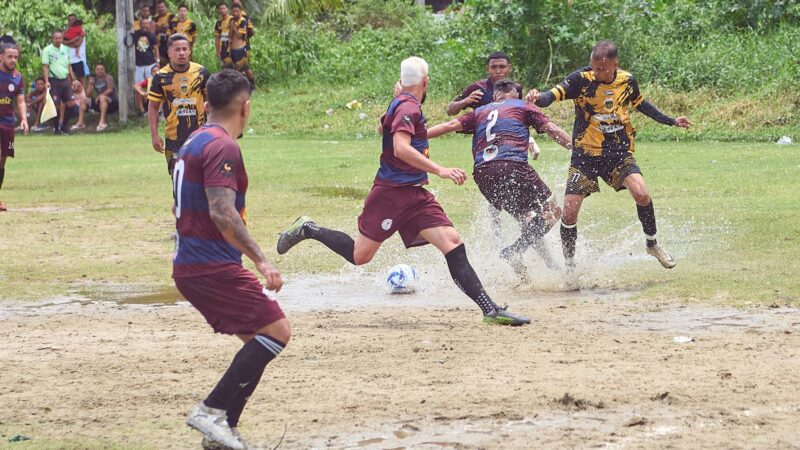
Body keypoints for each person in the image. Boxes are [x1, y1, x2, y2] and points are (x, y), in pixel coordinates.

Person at [276, 57, 530, 326]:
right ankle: (308, 228)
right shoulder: (408, 105)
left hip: (416, 195)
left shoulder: (402, 102)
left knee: (452, 243)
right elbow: (400, 148)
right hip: (391, 194)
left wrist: (395, 102)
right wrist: (440, 170)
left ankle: (490, 310)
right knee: (360, 256)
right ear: (425, 81)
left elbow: (381, 127)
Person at [173, 69, 288, 450]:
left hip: (196, 262)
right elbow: (222, 212)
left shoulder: (194, 140)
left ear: (206, 104)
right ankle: (212, 411)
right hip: (209, 264)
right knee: (276, 332)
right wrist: (261, 260)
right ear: (246, 107)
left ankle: (221, 432)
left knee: (259, 341)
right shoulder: (223, 146)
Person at [526, 40, 691, 276]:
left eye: (603, 68)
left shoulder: (627, 80)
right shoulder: (580, 79)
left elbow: (642, 105)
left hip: (618, 154)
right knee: (570, 213)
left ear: (615, 64)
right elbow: (552, 95)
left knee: (642, 194)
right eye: (594, 67)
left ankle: (652, 244)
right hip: (584, 156)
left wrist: (671, 120)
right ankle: (570, 268)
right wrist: (537, 97)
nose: (597, 72)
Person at [427, 78, 574, 281]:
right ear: (516, 94)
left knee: (526, 217)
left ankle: (525, 277)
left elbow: (450, 125)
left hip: (483, 174)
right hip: (513, 166)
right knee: (553, 211)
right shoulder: (524, 106)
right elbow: (553, 130)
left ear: (495, 96)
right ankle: (515, 250)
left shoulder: (481, 111)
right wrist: (576, 149)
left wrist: (416, 137)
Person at [148, 33, 209, 177]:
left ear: (189, 51)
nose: (181, 53)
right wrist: (154, 135)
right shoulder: (161, 77)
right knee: (178, 180)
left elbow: (212, 103)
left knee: (201, 180)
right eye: (177, 49)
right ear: (169, 52)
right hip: (174, 138)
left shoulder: (201, 73)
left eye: (184, 49)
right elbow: (153, 107)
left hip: (199, 136)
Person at [0, 43, 28, 212]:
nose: (13, 60)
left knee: (2, 160)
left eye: (16, 57)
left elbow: (21, 100)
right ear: (1, 56)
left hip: (8, 123)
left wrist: (23, 118)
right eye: (10, 56)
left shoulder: (17, 78)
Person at [41, 31, 76, 135]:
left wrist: (73, 79)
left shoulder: (66, 49)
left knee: (71, 103)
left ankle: (64, 124)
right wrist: (46, 81)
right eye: (56, 38)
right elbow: (45, 66)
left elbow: (69, 65)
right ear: (52, 39)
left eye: (60, 38)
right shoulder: (47, 50)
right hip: (54, 80)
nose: (58, 40)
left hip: (65, 80)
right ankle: (56, 128)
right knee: (56, 106)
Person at [229, 4, 255, 90]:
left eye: (237, 11)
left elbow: (239, 35)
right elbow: (231, 35)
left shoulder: (243, 21)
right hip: (233, 49)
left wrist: (233, 26)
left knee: (243, 69)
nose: (235, 13)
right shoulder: (233, 21)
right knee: (239, 69)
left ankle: (251, 86)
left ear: (241, 11)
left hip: (240, 48)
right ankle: (246, 87)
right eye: (233, 11)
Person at [85, 63, 118, 132]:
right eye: (98, 69)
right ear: (95, 71)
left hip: (112, 103)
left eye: (101, 69)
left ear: (104, 70)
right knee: (84, 100)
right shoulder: (94, 79)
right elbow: (87, 95)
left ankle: (102, 122)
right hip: (100, 103)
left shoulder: (108, 77)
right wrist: (90, 85)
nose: (100, 71)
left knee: (102, 97)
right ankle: (80, 123)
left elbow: (110, 89)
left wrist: (99, 96)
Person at [133, 19, 159, 93]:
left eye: (146, 24)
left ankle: (149, 103)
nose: (145, 26)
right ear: (140, 25)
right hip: (138, 64)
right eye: (143, 24)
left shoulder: (152, 35)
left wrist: (158, 61)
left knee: (151, 85)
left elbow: (156, 48)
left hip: (150, 64)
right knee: (138, 85)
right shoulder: (135, 34)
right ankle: (140, 104)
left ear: (149, 25)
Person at [63, 14, 89, 87]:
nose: (71, 21)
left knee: (81, 80)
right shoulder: (67, 31)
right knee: (69, 80)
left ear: (76, 20)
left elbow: (77, 44)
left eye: (73, 19)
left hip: (78, 59)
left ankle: (83, 96)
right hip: (68, 60)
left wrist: (66, 43)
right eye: (69, 20)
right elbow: (60, 38)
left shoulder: (81, 30)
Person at [154, 0, 175, 68]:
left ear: (166, 7)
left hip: (169, 42)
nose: (161, 9)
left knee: (172, 62)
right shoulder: (155, 19)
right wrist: (160, 29)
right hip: (159, 44)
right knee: (161, 63)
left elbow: (175, 30)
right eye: (159, 7)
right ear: (157, 9)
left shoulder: (171, 17)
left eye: (162, 7)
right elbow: (153, 31)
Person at [214, 3, 233, 69]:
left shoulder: (232, 20)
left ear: (227, 9)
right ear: (218, 10)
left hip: (231, 46)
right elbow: (217, 37)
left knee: (233, 67)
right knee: (224, 67)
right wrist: (217, 51)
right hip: (222, 47)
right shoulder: (218, 23)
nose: (222, 10)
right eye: (220, 9)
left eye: (224, 8)